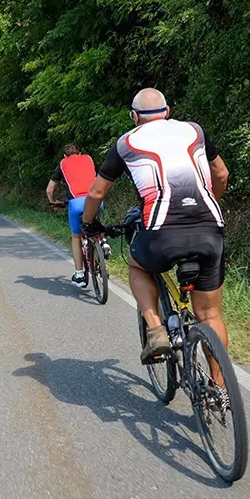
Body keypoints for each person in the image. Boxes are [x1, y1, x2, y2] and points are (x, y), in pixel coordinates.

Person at [81, 88, 230, 367]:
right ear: (168, 111)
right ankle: (220, 392)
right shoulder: (194, 131)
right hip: (210, 228)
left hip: (162, 233)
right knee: (210, 315)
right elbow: (221, 173)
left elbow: (97, 193)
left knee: (137, 265)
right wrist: (209, 205)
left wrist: (88, 224)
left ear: (134, 116)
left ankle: (155, 329)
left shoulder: (126, 143)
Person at [46, 144, 99, 288]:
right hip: (95, 199)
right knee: (95, 222)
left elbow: (50, 189)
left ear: (64, 156)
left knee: (76, 236)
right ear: (79, 152)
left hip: (76, 203)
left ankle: (79, 275)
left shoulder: (63, 164)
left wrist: (53, 202)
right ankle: (103, 242)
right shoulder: (88, 158)